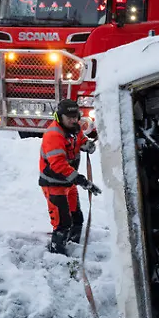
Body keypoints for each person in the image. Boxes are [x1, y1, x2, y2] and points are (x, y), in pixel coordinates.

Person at [39, 99, 102, 255]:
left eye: (76, 117)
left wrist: (86, 144)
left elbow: (79, 139)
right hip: (53, 183)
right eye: (69, 117)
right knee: (62, 223)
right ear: (60, 117)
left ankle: (73, 246)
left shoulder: (74, 128)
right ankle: (57, 253)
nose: (74, 120)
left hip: (69, 182)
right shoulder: (53, 135)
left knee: (77, 218)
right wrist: (80, 179)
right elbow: (58, 165)